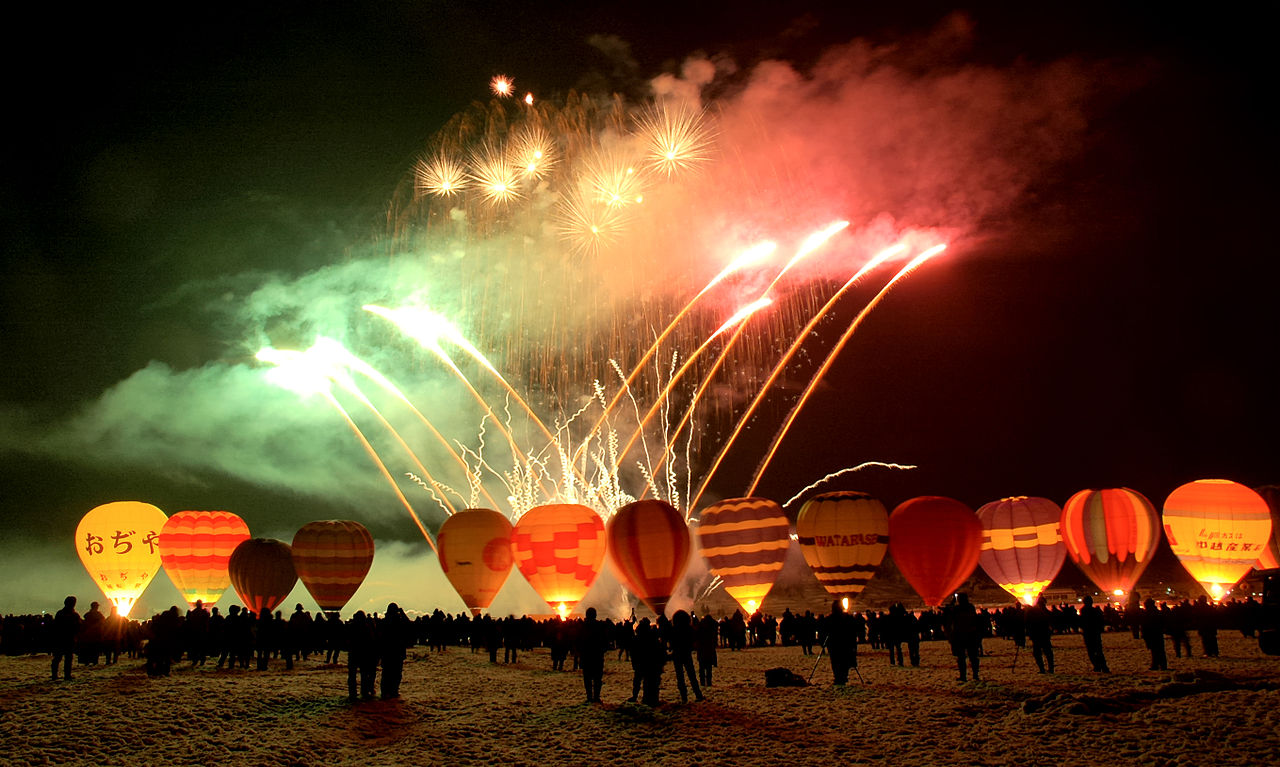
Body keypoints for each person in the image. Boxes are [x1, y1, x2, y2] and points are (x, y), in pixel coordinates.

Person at [667, 610, 704, 702]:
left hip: (677, 655)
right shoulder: (689, 629)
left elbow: (670, 640)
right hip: (686, 654)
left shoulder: (673, 630)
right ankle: (698, 694)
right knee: (692, 676)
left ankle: (684, 697)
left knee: (680, 677)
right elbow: (694, 637)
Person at [379, 602, 412, 699]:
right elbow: (409, 625)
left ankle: (386, 692)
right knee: (395, 674)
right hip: (397, 651)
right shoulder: (399, 621)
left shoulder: (385, 621)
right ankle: (393, 691)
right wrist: (402, 613)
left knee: (387, 674)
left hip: (388, 652)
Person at [947, 594, 981, 682]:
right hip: (971, 635)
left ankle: (963, 676)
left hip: (960, 636)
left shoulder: (956, 609)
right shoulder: (971, 607)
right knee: (973, 657)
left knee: (961, 658)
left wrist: (952, 602)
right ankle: (975, 675)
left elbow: (948, 614)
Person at [577, 607, 607, 703]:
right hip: (597, 656)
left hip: (586, 656)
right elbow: (604, 640)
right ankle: (596, 697)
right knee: (597, 678)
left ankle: (589, 697)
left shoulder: (582, 626)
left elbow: (579, 641)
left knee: (587, 678)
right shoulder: (600, 626)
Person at [825, 600, 859, 685]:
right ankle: (843, 676)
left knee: (835, 661)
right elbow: (852, 631)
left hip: (834, 644)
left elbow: (825, 630)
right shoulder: (847, 618)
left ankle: (838, 677)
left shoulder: (830, 619)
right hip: (845, 643)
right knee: (844, 660)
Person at [347, 611, 378, 702]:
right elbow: (371, 640)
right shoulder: (367, 627)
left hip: (354, 653)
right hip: (364, 654)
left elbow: (348, 640)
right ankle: (364, 691)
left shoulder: (351, 627)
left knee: (352, 675)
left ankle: (352, 693)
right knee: (364, 674)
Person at [51, 596, 81, 681]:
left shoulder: (60, 613)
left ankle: (55, 675)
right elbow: (78, 627)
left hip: (60, 639)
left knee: (58, 658)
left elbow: (55, 626)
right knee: (67, 658)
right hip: (68, 639)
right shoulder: (74, 615)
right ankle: (66, 675)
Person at [1025, 597, 1055, 674]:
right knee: (1047, 652)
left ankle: (1042, 669)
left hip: (1036, 634)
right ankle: (1050, 668)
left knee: (1038, 653)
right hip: (1044, 634)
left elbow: (1027, 622)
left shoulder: (1032, 612)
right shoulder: (1046, 612)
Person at [1080, 595, 1110, 672]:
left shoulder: (1083, 611)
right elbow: (1101, 620)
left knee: (1091, 651)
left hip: (1088, 633)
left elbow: (1082, 622)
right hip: (1095, 632)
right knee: (1099, 650)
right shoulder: (1095, 611)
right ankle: (1103, 666)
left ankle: (1097, 666)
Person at [1142, 598, 1168, 671]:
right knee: (1160, 650)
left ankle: (1156, 665)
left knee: (1155, 650)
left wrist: (1144, 634)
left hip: (1151, 634)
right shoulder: (1157, 612)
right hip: (1157, 633)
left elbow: (1145, 625)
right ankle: (1162, 665)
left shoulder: (1147, 613)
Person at [695, 613, 718, 687]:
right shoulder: (712, 628)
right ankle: (709, 681)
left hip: (702, 649)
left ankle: (702, 681)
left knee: (701, 667)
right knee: (709, 668)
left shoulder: (700, 627)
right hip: (709, 649)